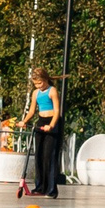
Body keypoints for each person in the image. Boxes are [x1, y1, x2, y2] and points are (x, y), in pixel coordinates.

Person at [27, 68, 63, 198]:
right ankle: (40, 187)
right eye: (36, 84)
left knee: (49, 157)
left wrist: (51, 126)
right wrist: (24, 121)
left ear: (46, 79)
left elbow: (57, 111)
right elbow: (32, 111)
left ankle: (51, 190)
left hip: (52, 122)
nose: (38, 86)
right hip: (41, 121)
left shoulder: (52, 91)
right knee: (39, 156)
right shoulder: (35, 93)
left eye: (40, 83)